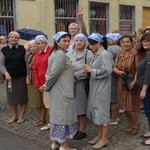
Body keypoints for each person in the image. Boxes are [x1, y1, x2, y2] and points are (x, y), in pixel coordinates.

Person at [40, 31, 77, 150]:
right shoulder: (60, 54)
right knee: (63, 117)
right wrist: (47, 86)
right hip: (62, 91)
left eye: (68, 41)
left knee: (57, 117)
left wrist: (47, 85)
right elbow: (53, 74)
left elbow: (52, 73)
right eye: (64, 41)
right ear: (57, 41)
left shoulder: (55, 53)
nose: (67, 43)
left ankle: (56, 142)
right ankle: (65, 146)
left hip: (59, 90)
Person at [84, 33, 112, 149]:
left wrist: (92, 70)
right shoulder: (95, 54)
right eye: (90, 44)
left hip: (102, 88)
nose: (91, 46)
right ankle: (99, 135)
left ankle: (104, 138)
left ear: (99, 43)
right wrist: (88, 69)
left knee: (102, 112)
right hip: (95, 86)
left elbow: (107, 70)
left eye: (93, 44)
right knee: (96, 112)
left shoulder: (105, 54)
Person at [67, 33, 93, 140]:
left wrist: (75, 76)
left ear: (85, 42)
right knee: (74, 108)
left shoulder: (89, 54)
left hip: (82, 83)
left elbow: (88, 69)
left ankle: (82, 130)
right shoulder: (69, 53)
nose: (79, 42)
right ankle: (77, 128)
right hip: (70, 83)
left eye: (81, 41)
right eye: (77, 40)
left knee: (81, 108)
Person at [0, 31, 28, 124]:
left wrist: (28, 51)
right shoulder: (4, 50)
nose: (13, 39)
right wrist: (6, 73)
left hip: (21, 76)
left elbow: (27, 62)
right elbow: (1, 64)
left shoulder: (22, 49)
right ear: (9, 38)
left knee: (22, 97)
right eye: (11, 37)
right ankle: (14, 116)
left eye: (15, 37)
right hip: (9, 78)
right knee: (11, 98)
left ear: (18, 39)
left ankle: (22, 116)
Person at [113, 35, 139, 135]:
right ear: (120, 43)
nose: (125, 44)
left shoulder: (135, 54)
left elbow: (138, 70)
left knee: (131, 106)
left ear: (131, 42)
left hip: (131, 82)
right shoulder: (120, 54)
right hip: (121, 83)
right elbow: (114, 67)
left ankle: (135, 125)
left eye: (127, 42)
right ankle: (130, 125)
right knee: (124, 106)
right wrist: (118, 72)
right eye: (123, 42)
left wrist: (134, 81)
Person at [26, 40, 46, 126]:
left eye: (34, 46)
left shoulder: (40, 55)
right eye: (31, 47)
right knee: (35, 101)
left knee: (41, 101)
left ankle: (42, 119)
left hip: (39, 80)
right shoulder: (29, 55)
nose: (33, 48)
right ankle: (40, 118)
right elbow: (27, 68)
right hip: (31, 80)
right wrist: (27, 76)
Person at [34, 35, 52, 129]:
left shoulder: (51, 51)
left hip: (50, 83)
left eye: (42, 43)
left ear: (46, 43)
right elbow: (35, 69)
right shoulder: (37, 53)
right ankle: (51, 122)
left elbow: (52, 69)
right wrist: (38, 83)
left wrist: (46, 83)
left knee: (51, 104)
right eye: (38, 43)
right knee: (47, 104)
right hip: (42, 84)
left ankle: (52, 123)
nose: (40, 45)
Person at [137, 33, 150, 146]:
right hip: (146, 87)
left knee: (149, 112)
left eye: (148, 41)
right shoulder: (147, 53)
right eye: (143, 41)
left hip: (148, 88)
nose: (145, 43)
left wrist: (144, 89)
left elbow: (148, 73)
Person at [106, 33, 122, 125]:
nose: (108, 41)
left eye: (109, 39)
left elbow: (110, 63)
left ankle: (114, 118)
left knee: (113, 96)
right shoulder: (119, 48)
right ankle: (116, 116)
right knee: (116, 94)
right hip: (117, 73)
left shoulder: (111, 48)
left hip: (112, 74)